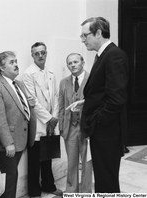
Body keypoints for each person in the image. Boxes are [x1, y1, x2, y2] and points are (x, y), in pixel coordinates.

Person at [76, 17, 129, 192]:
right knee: (103, 178)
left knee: (107, 181)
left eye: (85, 35)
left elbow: (117, 99)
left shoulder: (114, 55)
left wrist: (97, 121)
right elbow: (104, 91)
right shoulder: (103, 55)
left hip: (107, 131)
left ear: (98, 33)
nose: (83, 40)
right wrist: (87, 102)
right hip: (103, 130)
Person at [0, 51, 36, 198]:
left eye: (16, 61)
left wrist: (30, 104)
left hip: (21, 139)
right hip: (7, 144)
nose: (16, 64)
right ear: (1, 68)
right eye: (11, 62)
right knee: (9, 180)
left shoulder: (18, 84)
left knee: (11, 177)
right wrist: (8, 143)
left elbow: (21, 108)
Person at [21, 42, 62, 197]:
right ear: (32, 55)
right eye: (36, 53)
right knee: (34, 159)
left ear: (46, 53)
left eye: (42, 52)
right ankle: (34, 191)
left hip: (51, 121)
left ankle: (49, 186)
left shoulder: (51, 72)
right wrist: (49, 119)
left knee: (48, 156)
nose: (40, 56)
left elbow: (56, 97)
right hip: (37, 123)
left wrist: (54, 118)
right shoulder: (28, 74)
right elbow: (33, 102)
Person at [58, 53, 92, 193]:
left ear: (82, 62)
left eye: (76, 62)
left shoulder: (92, 79)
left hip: (87, 127)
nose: (73, 65)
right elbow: (60, 106)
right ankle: (71, 191)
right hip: (69, 127)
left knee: (87, 162)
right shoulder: (63, 82)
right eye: (70, 63)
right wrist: (61, 126)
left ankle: (85, 192)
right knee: (71, 162)